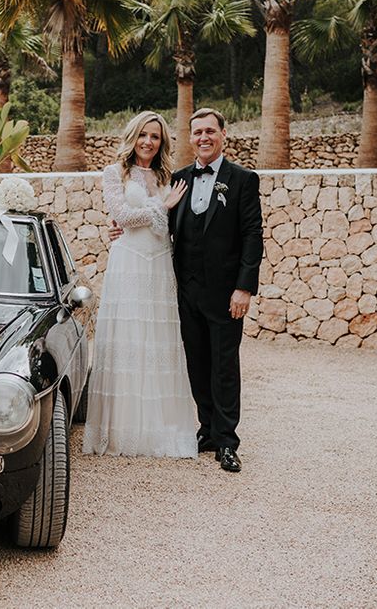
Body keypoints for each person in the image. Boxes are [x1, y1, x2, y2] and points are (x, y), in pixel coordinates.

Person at [82, 111, 198, 458]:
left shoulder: (168, 176)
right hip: (129, 262)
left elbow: (171, 222)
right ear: (133, 136)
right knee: (129, 340)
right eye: (144, 135)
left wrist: (159, 209)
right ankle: (123, 430)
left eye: (156, 137)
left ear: (162, 142)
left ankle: (160, 429)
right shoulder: (114, 173)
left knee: (159, 341)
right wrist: (160, 205)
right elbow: (123, 216)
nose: (149, 141)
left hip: (161, 261)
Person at [168, 107, 263, 472]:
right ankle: (206, 429)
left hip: (225, 294)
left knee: (224, 366)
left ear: (224, 134)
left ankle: (226, 440)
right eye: (197, 133)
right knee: (197, 363)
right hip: (187, 291)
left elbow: (252, 236)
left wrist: (244, 288)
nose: (203, 138)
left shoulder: (242, 179)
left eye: (210, 131)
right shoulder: (179, 180)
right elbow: (163, 226)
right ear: (190, 138)